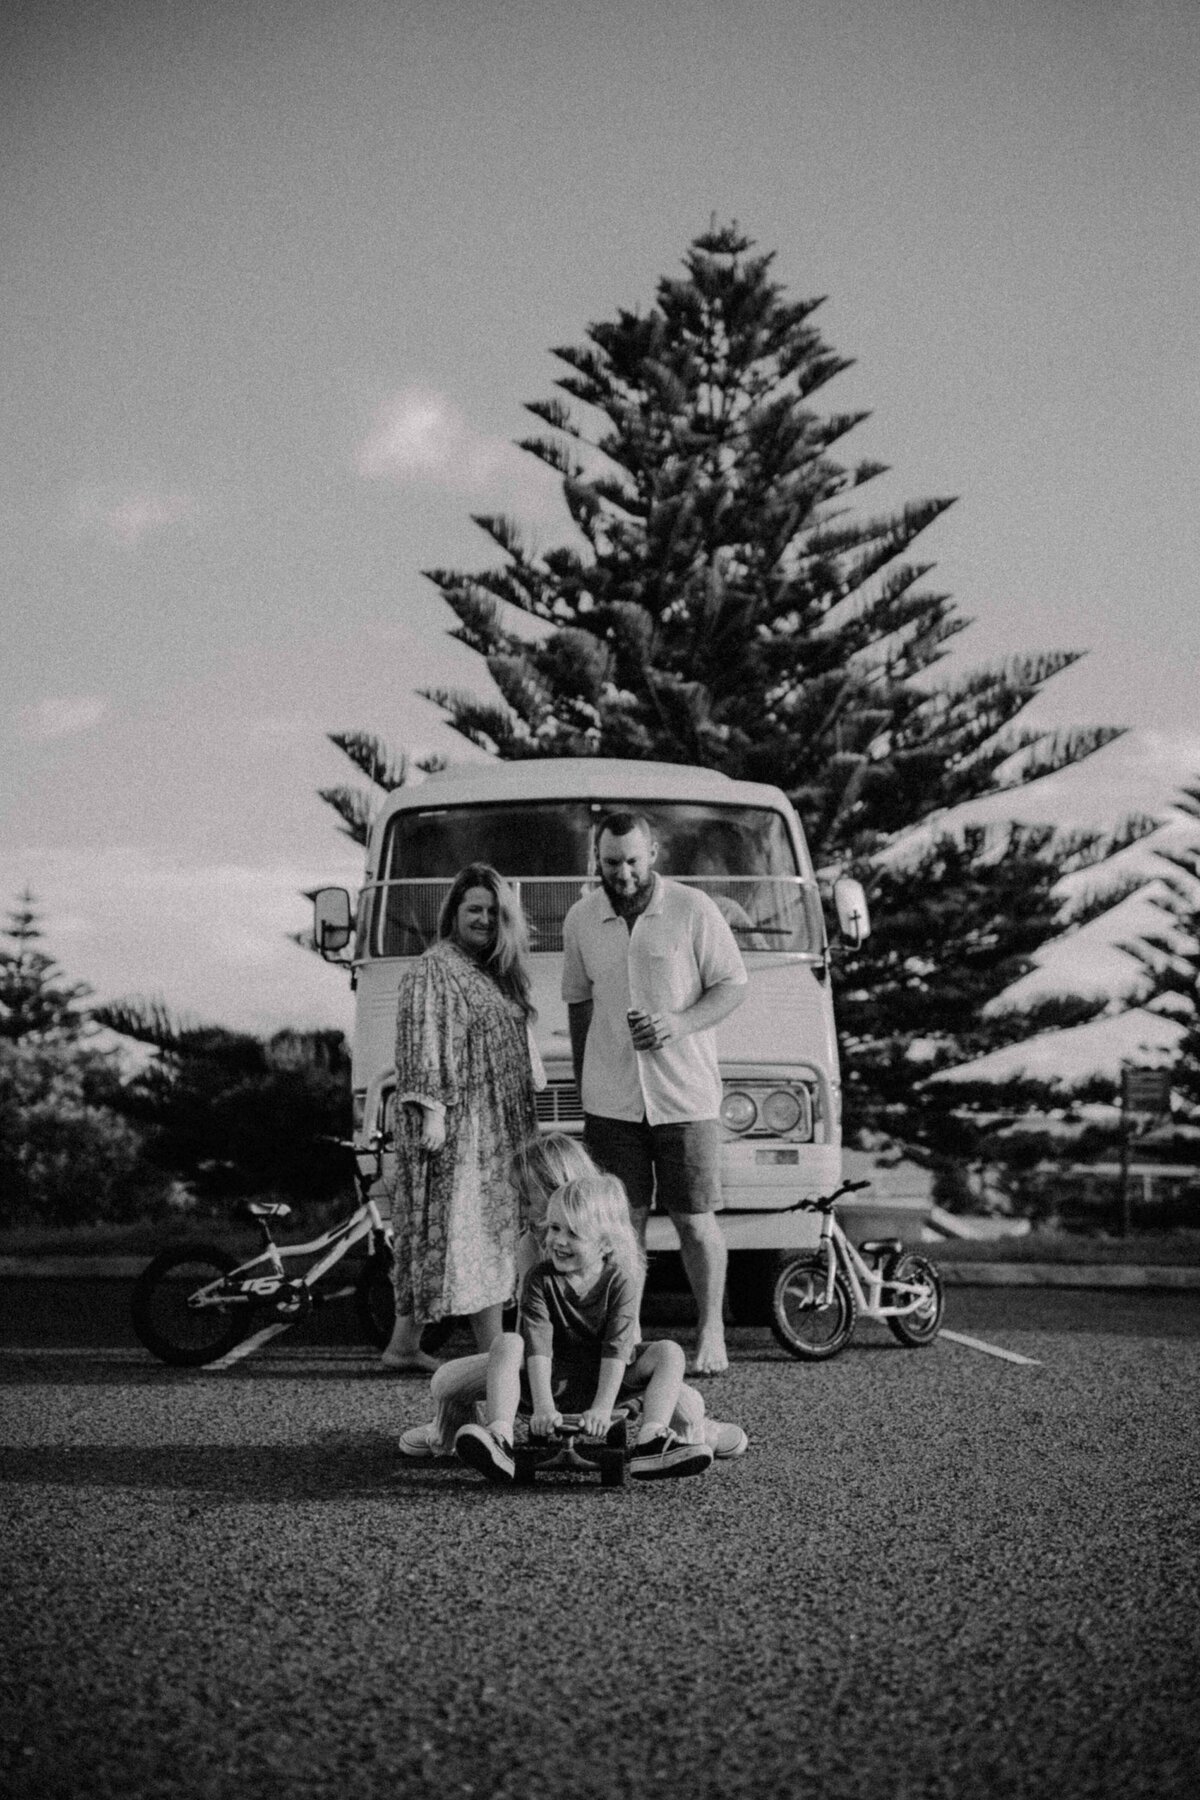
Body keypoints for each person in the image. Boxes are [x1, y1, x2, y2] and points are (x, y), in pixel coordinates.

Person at [398, 1131, 749, 1461]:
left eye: (527, 1198)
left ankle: (697, 1434)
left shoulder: (617, 1249)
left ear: (555, 1191)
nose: (520, 1207)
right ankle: (448, 1435)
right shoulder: (531, 1245)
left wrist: (618, 1400)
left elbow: (628, 1337)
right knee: (446, 1382)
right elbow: (528, 1332)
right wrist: (532, 1397)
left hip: (609, 1368)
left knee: (686, 1403)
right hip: (549, 1365)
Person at [562, 811, 747, 1374]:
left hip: (685, 1096)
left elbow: (732, 985)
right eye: (611, 862)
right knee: (623, 1225)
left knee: (695, 1219)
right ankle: (627, 1332)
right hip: (611, 1100)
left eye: (632, 861)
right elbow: (579, 1001)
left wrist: (679, 1023)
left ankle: (710, 1331)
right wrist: (582, 1076)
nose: (622, 874)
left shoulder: (693, 909)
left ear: (654, 853)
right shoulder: (581, 918)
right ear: (597, 858)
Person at [381, 862, 539, 1371]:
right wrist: (429, 1111)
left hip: (498, 1127)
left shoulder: (491, 971)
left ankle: (404, 1347)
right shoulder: (436, 967)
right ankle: (491, 1354)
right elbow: (419, 1037)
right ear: (455, 913)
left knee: (485, 1236)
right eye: (475, 909)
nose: (486, 920)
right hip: (461, 1126)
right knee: (464, 1233)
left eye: (495, 912)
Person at [454, 1174, 714, 1482]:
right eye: (554, 1228)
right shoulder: (541, 1278)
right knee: (508, 1342)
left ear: (605, 1244)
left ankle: (652, 1441)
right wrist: (543, 1408)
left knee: (670, 1352)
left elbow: (617, 1348)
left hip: (605, 1385)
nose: (558, 1241)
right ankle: (499, 1437)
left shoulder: (620, 1282)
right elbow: (537, 1344)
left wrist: (603, 1409)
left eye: (573, 1233)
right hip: (548, 1384)